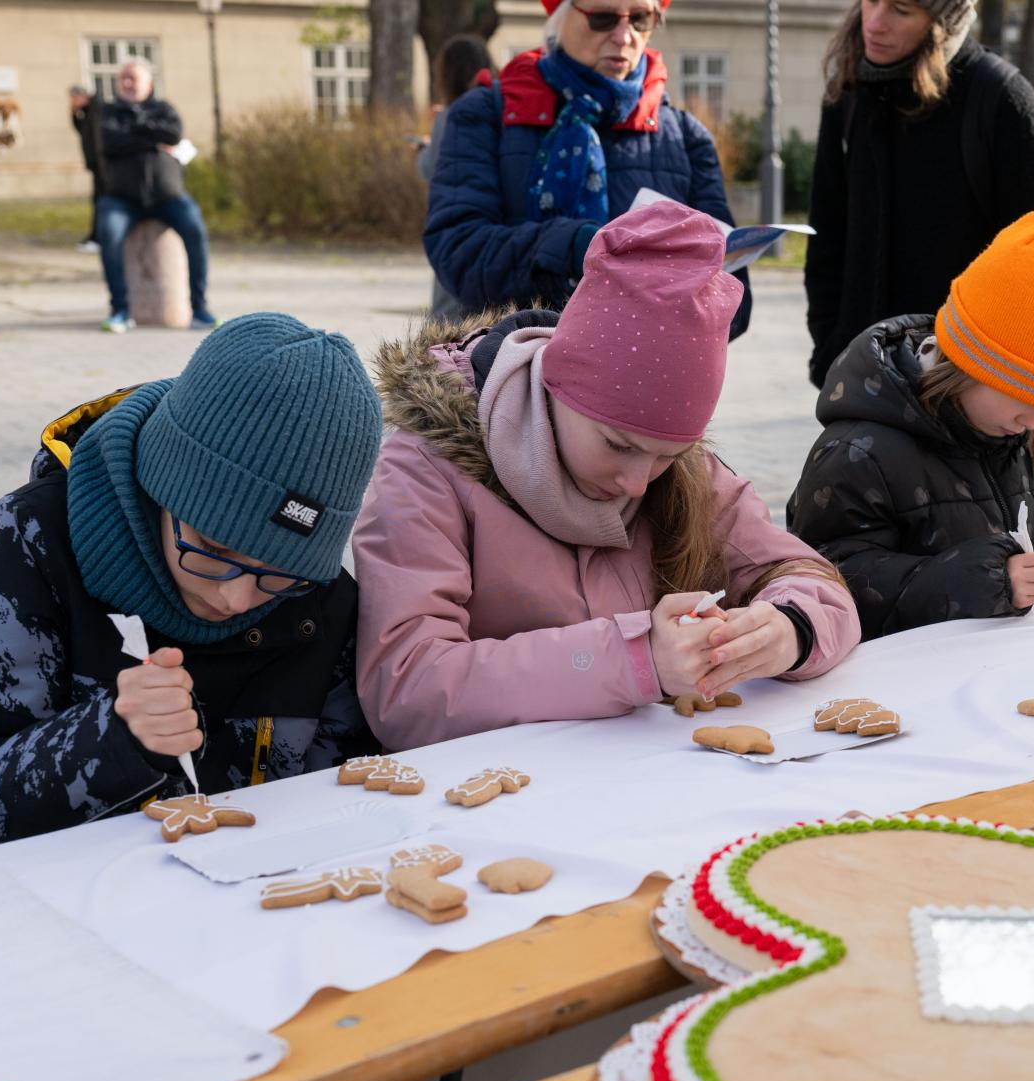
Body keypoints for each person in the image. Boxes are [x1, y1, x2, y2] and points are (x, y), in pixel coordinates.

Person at [356, 201, 857, 751]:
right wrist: (631, 659)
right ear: (556, 387)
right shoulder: (428, 469)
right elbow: (405, 687)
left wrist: (789, 628)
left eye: (669, 453)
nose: (639, 483)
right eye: (618, 444)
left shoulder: (687, 473)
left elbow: (805, 576)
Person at [0, 314, 381, 847]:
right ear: (160, 487)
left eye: (277, 572)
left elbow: (351, 795)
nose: (235, 597)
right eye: (214, 550)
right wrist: (107, 741)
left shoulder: (321, 595)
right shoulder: (29, 543)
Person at [788, 207, 1034, 639]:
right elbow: (829, 581)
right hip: (899, 678)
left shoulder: (1023, 432)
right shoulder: (859, 452)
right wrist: (987, 580)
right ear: (971, 363)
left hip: (993, 661)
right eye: (1026, 397)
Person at [423, 0, 751, 339]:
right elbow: (458, 253)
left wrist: (674, 283)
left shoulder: (686, 137)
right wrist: (573, 246)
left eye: (640, 18)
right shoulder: (483, 116)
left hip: (641, 381)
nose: (624, 37)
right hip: (512, 378)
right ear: (558, 17)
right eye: (603, 18)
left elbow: (736, 306)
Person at [803, 0, 1034, 388]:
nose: (875, 23)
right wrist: (831, 352)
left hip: (970, 392)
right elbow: (827, 236)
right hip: (861, 379)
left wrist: (990, 384)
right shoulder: (848, 90)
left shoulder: (1000, 97)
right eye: (870, 1)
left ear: (942, 23)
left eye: (900, 10)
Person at [95, 58, 217, 333]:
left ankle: (199, 307)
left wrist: (135, 131)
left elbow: (173, 134)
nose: (127, 83)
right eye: (123, 78)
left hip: (167, 196)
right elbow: (110, 142)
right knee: (108, 232)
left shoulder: (165, 108)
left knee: (195, 229)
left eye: (133, 78)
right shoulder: (108, 112)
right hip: (122, 198)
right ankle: (120, 309)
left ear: (148, 83)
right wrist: (152, 136)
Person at [418, 35, 497, 321]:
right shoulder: (499, 110)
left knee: (446, 313)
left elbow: (430, 168)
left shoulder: (451, 116)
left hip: (455, 223)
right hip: (495, 225)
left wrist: (425, 148)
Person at [68, 84, 103, 253]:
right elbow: (81, 129)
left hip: (103, 167)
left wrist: (101, 164)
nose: (72, 101)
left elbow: (97, 139)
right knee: (98, 200)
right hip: (97, 166)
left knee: (101, 201)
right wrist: (74, 112)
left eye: (74, 97)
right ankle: (96, 236)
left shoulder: (97, 110)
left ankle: (98, 237)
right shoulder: (89, 111)